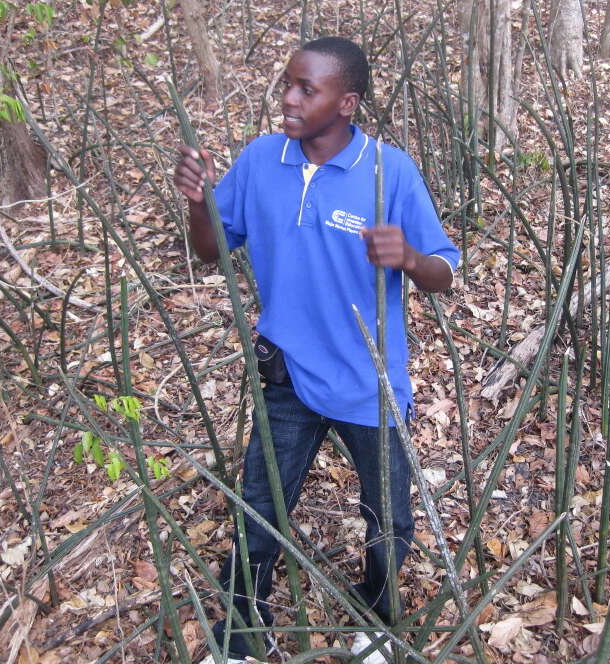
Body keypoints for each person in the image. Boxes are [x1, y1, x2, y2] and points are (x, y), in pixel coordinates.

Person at [174, 36, 459, 664]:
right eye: (287, 84)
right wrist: (197, 203)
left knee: (389, 521)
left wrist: (410, 260)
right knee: (260, 510)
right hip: (287, 375)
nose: (290, 99)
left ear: (347, 102)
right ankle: (247, 632)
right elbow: (211, 249)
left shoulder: (389, 170)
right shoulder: (260, 159)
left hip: (370, 382)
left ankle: (377, 623)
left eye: (308, 89)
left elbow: (443, 267)